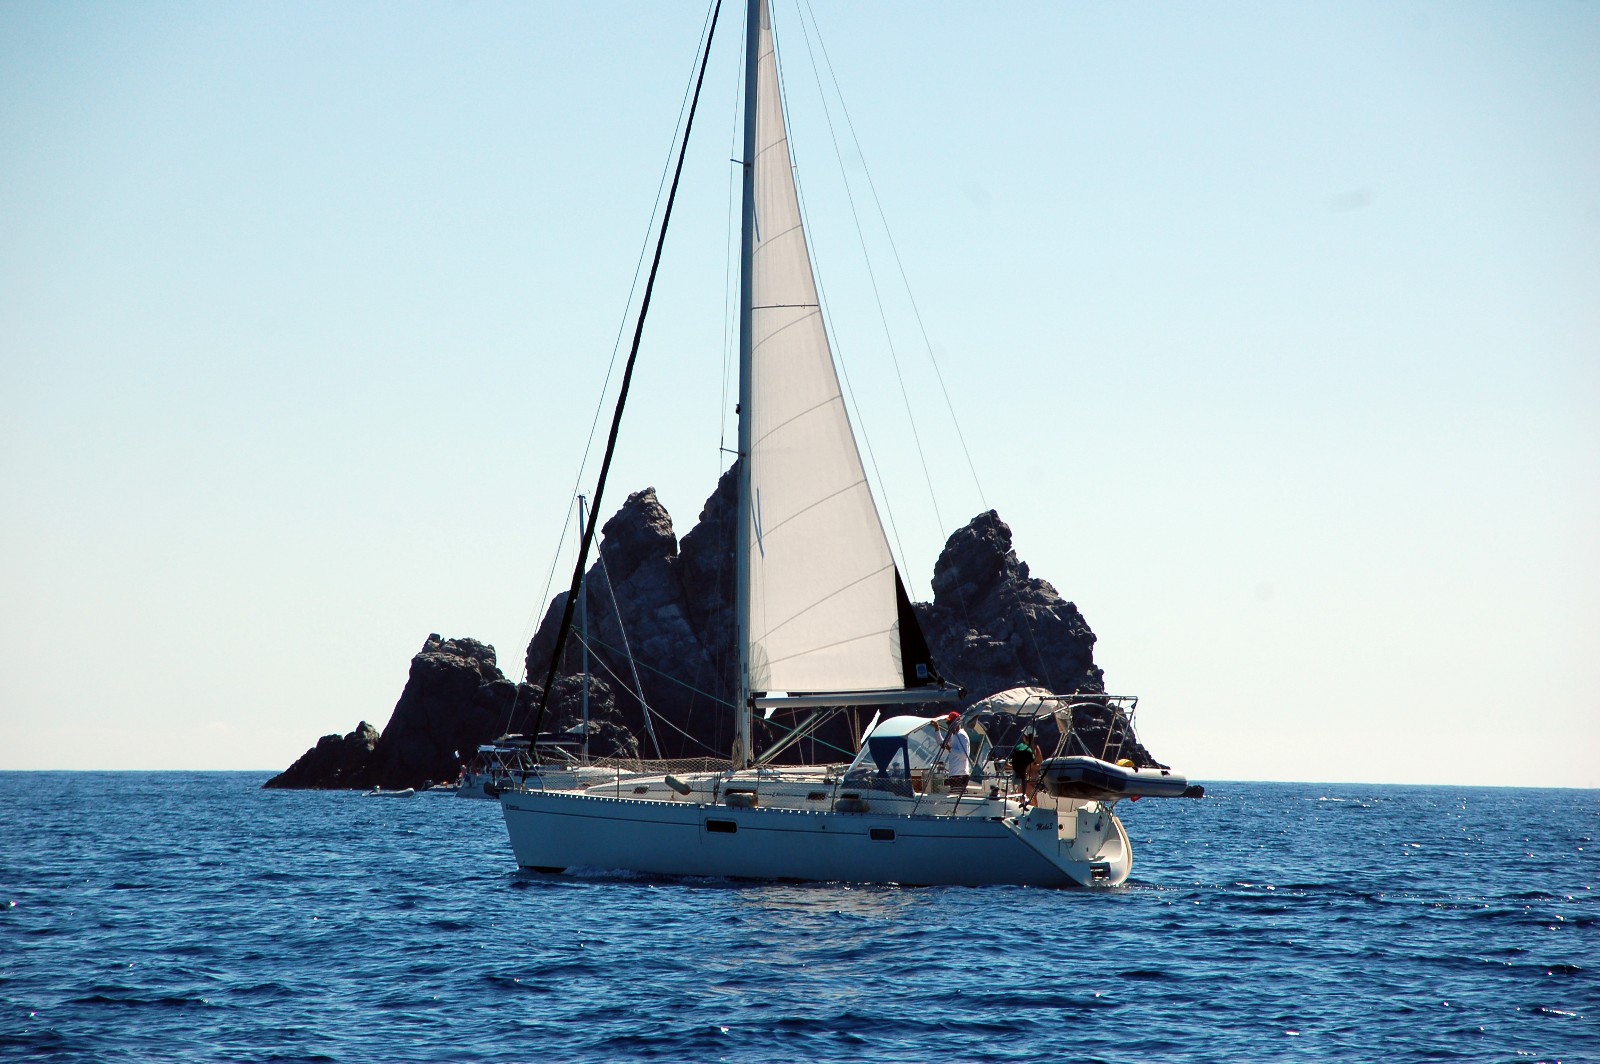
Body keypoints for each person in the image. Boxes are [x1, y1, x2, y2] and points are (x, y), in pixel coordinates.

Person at [1010, 726, 1039, 805]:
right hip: (1029, 779)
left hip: (1029, 780)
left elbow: (1038, 765)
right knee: (1026, 798)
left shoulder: (1033, 749)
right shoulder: (1033, 749)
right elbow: (1040, 764)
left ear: (1024, 737)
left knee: (1027, 798)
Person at [942, 711, 971, 791]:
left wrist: (949, 749)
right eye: (948, 723)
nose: (948, 725)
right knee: (954, 796)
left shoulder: (961, 735)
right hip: (954, 774)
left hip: (960, 774)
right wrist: (937, 730)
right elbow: (943, 744)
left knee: (956, 796)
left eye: (950, 722)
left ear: (957, 723)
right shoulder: (953, 735)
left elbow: (964, 754)